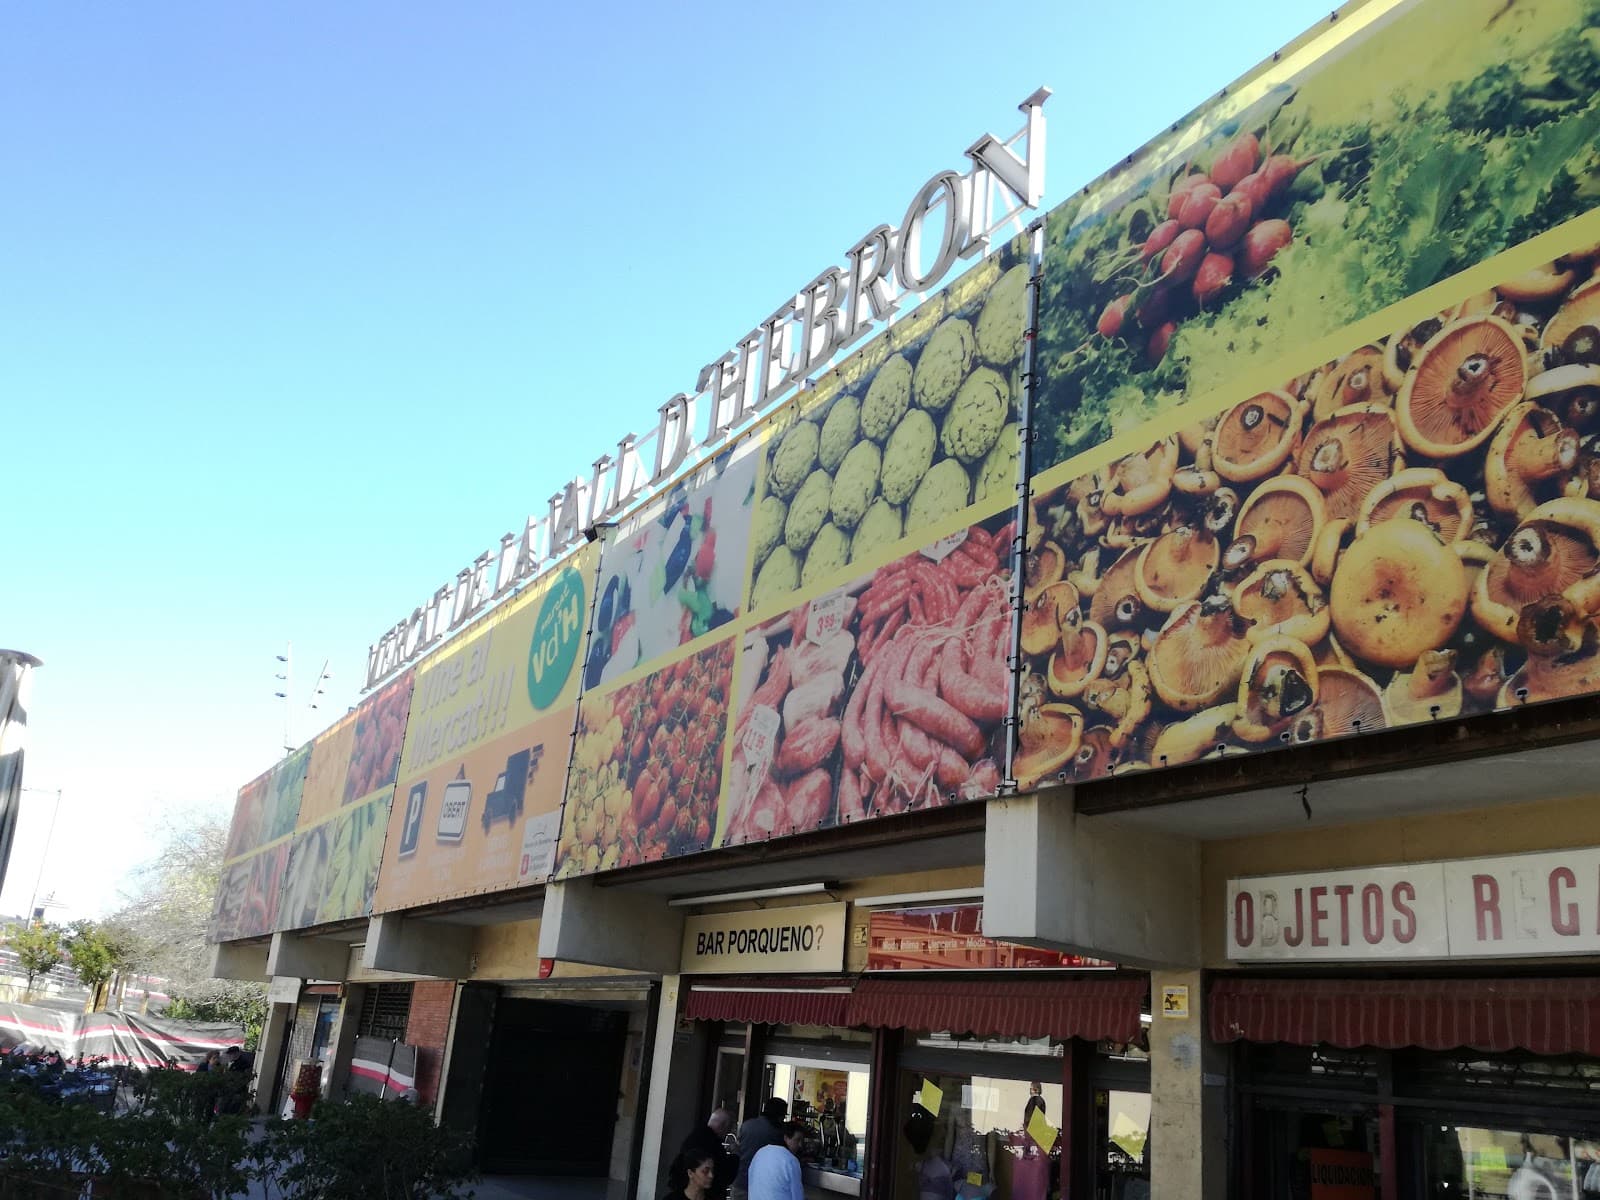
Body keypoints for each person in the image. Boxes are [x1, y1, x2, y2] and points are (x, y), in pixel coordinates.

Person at [732, 1098, 788, 1200]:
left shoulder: (747, 1125)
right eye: (783, 1116)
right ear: (779, 1115)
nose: (783, 1119)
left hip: (741, 1182)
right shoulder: (776, 1133)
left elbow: (736, 1150)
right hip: (761, 1186)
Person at [680, 1107, 737, 1200]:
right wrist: (735, 1156)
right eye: (728, 1128)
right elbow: (725, 1175)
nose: (728, 1132)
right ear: (722, 1127)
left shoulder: (693, 1138)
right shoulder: (713, 1145)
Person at [748, 1121, 805, 1200]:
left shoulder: (760, 1152)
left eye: (802, 1141)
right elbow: (797, 1197)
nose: (800, 1145)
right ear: (786, 1138)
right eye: (797, 1140)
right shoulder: (790, 1160)